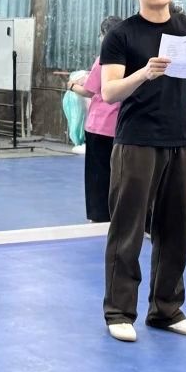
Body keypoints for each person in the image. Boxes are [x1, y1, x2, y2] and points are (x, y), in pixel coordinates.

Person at [99, 0, 186, 343]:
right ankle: (119, 312)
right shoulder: (122, 35)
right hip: (136, 143)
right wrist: (144, 73)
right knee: (128, 230)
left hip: (179, 143)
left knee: (176, 232)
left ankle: (167, 310)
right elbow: (110, 91)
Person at [67, 15, 123, 223]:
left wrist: (72, 86)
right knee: (119, 172)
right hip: (122, 126)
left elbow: (89, 91)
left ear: (105, 36)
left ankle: (99, 214)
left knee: (97, 172)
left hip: (100, 125)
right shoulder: (132, 58)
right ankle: (117, 211)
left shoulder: (103, 60)